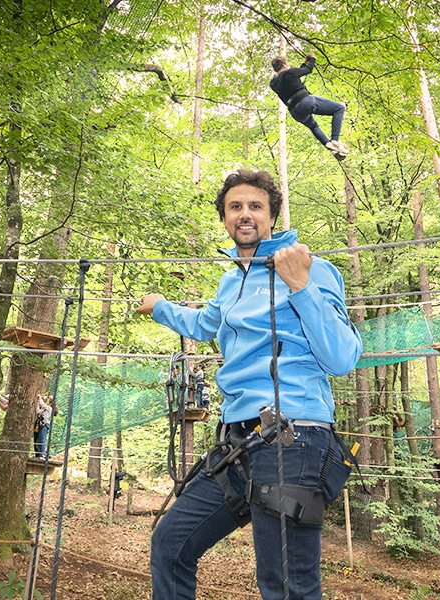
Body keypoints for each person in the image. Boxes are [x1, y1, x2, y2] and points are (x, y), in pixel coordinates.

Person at [136, 168, 363, 600]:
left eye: (255, 206)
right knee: (170, 544)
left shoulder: (310, 268)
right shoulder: (231, 281)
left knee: (285, 586)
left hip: (294, 435)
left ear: (272, 216)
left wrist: (300, 284)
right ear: (224, 218)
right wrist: (160, 306)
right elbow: (204, 323)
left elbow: (342, 357)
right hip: (238, 441)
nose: (244, 214)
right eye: (234, 207)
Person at [269, 52, 350, 160]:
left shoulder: (274, 84)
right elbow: (308, 70)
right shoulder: (290, 73)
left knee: (314, 127)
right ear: (284, 65)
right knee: (339, 108)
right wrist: (312, 59)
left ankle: (333, 149)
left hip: (295, 112)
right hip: (305, 102)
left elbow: (293, 77)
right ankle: (335, 141)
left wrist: (304, 63)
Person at [34, 393, 54, 458]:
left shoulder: (49, 408)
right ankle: (38, 454)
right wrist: (37, 405)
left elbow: (43, 404)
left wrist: (40, 398)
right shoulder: (44, 408)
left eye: (48, 399)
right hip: (40, 424)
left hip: (45, 424)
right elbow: (38, 412)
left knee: (42, 439)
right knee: (38, 439)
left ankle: (42, 454)